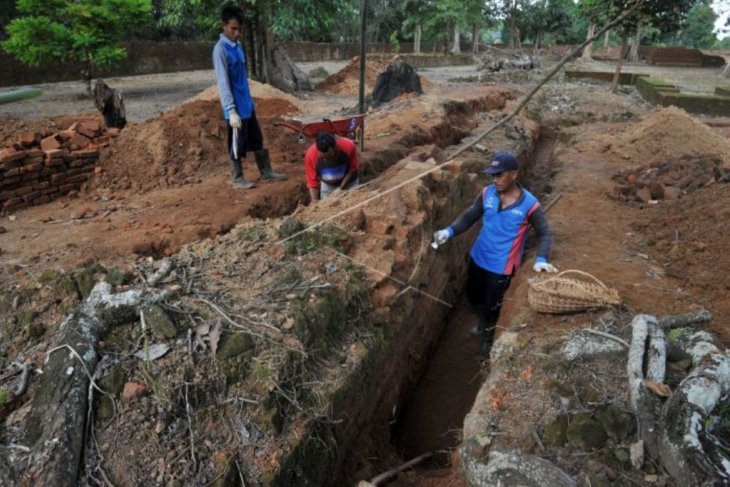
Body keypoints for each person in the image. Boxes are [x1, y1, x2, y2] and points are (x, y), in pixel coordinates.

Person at [433, 151, 557, 359]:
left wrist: (541, 259)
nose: (495, 179)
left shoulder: (530, 205)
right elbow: (471, 215)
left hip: (501, 267)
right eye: (493, 175)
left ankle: (487, 339)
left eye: (500, 175)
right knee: (472, 296)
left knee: (492, 306)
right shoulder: (487, 193)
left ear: (514, 174)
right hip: (479, 256)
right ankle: (483, 320)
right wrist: (449, 231)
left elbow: (544, 232)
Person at [213, 6, 287, 189]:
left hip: (246, 104)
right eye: (233, 28)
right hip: (235, 108)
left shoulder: (237, 47)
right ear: (224, 26)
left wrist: (250, 101)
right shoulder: (220, 50)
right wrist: (230, 110)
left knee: (256, 138)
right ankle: (238, 178)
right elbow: (223, 82)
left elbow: (242, 80)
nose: (237, 33)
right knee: (236, 143)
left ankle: (266, 172)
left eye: (239, 29)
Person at [304, 131, 359, 203]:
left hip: (350, 183)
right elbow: (312, 182)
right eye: (323, 157)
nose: (327, 160)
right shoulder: (311, 156)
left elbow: (352, 169)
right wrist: (314, 202)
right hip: (328, 186)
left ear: (335, 147)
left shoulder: (348, 146)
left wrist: (341, 188)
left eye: (330, 157)